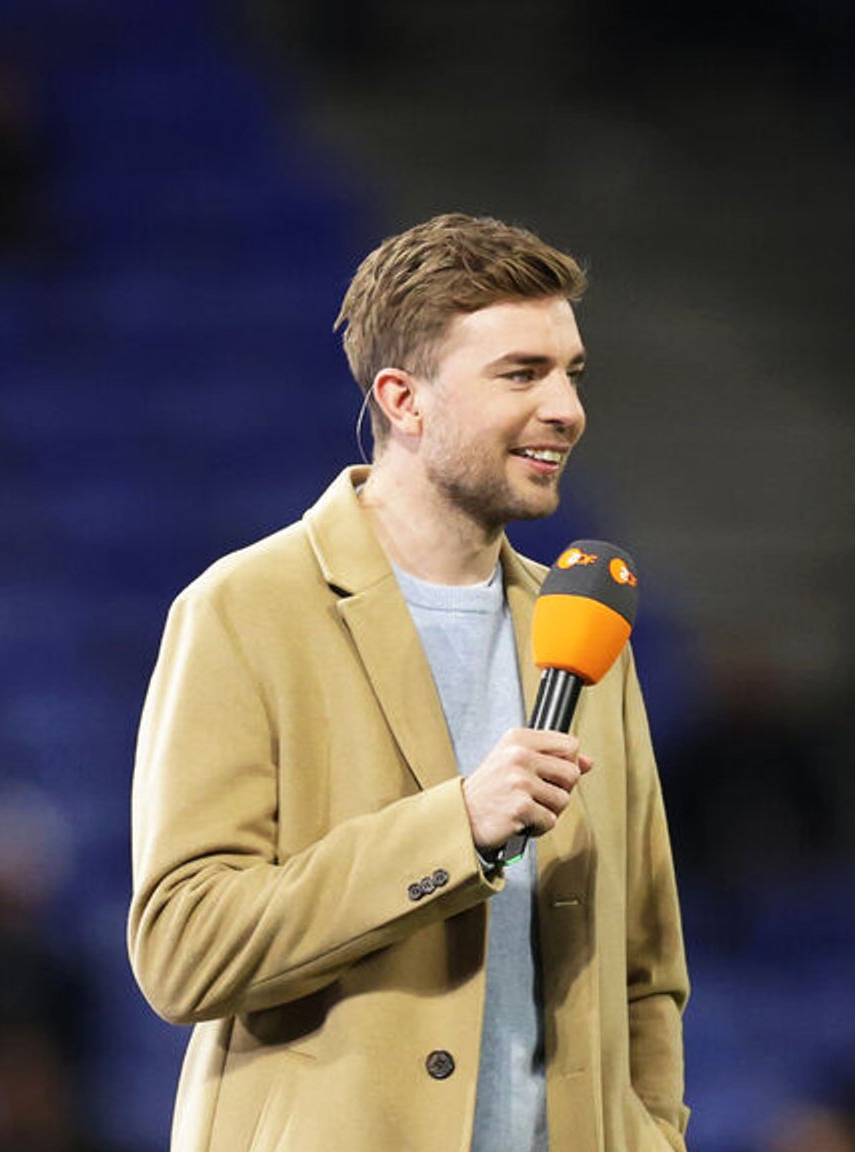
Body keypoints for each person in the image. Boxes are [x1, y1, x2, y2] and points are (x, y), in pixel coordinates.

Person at [129, 213, 691, 1152]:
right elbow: (184, 949)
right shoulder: (244, 610)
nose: (567, 409)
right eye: (521, 373)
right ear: (404, 399)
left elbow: (646, 968)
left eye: (571, 374)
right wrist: (454, 824)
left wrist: (653, 1136)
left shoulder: (588, 628)